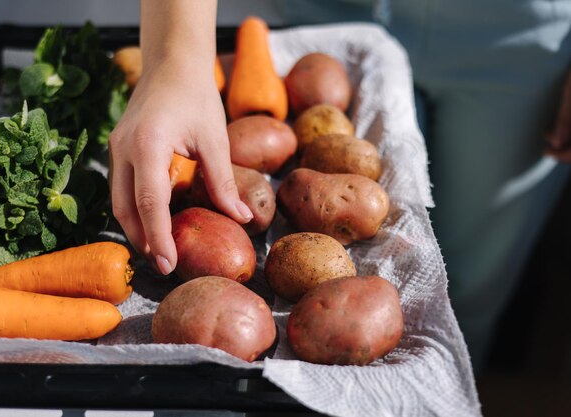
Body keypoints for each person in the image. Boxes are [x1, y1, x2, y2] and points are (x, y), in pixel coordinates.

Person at [109, 0, 571, 372]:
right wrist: (172, 62)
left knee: (477, 272)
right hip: (330, 12)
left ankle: (457, 374)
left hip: (525, 37)